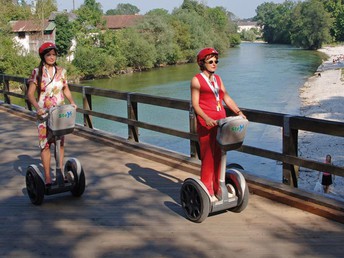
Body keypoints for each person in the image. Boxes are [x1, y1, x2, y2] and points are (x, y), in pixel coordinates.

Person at [191, 47, 246, 202]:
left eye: (216, 61)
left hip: (221, 124)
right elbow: (195, 105)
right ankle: (207, 189)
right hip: (206, 124)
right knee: (208, 157)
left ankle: (218, 188)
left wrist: (238, 112)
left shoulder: (218, 80)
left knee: (220, 155)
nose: (214, 64)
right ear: (202, 63)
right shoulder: (197, 80)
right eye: (210, 61)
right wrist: (206, 118)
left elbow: (226, 98)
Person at [27, 42, 77, 187]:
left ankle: (60, 172)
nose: (52, 57)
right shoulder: (37, 72)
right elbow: (30, 94)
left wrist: (72, 102)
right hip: (44, 114)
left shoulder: (62, 71)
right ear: (43, 56)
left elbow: (65, 89)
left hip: (59, 114)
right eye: (48, 55)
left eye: (54, 54)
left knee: (60, 144)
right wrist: (37, 107)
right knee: (46, 145)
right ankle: (48, 177)